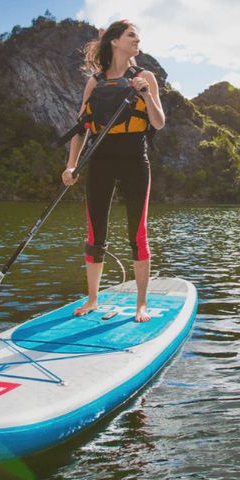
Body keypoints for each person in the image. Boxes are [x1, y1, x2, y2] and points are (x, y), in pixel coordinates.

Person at [62, 20, 166, 322]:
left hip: (134, 159)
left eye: (138, 35)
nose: (137, 39)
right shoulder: (94, 82)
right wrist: (71, 165)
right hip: (100, 161)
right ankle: (93, 300)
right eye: (131, 35)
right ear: (115, 42)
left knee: (138, 233)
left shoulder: (145, 77)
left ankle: (141, 304)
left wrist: (145, 94)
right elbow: (81, 128)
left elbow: (158, 122)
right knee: (95, 232)